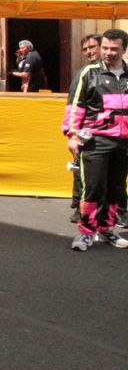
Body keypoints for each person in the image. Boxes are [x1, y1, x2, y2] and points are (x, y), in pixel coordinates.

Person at [63, 28, 128, 251]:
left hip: (123, 143)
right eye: (105, 48)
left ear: (124, 50)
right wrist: (72, 135)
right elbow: (75, 107)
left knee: (116, 189)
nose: (108, 53)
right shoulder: (88, 73)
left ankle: (106, 228)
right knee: (93, 188)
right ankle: (86, 232)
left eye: (114, 49)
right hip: (95, 141)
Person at [68, 34, 101, 223]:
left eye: (92, 47)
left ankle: (118, 210)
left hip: (111, 131)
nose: (89, 52)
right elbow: (73, 104)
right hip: (86, 131)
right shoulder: (83, 73)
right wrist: (73, 133)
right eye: (85, 49)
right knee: (82, 171)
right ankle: (78, 208)